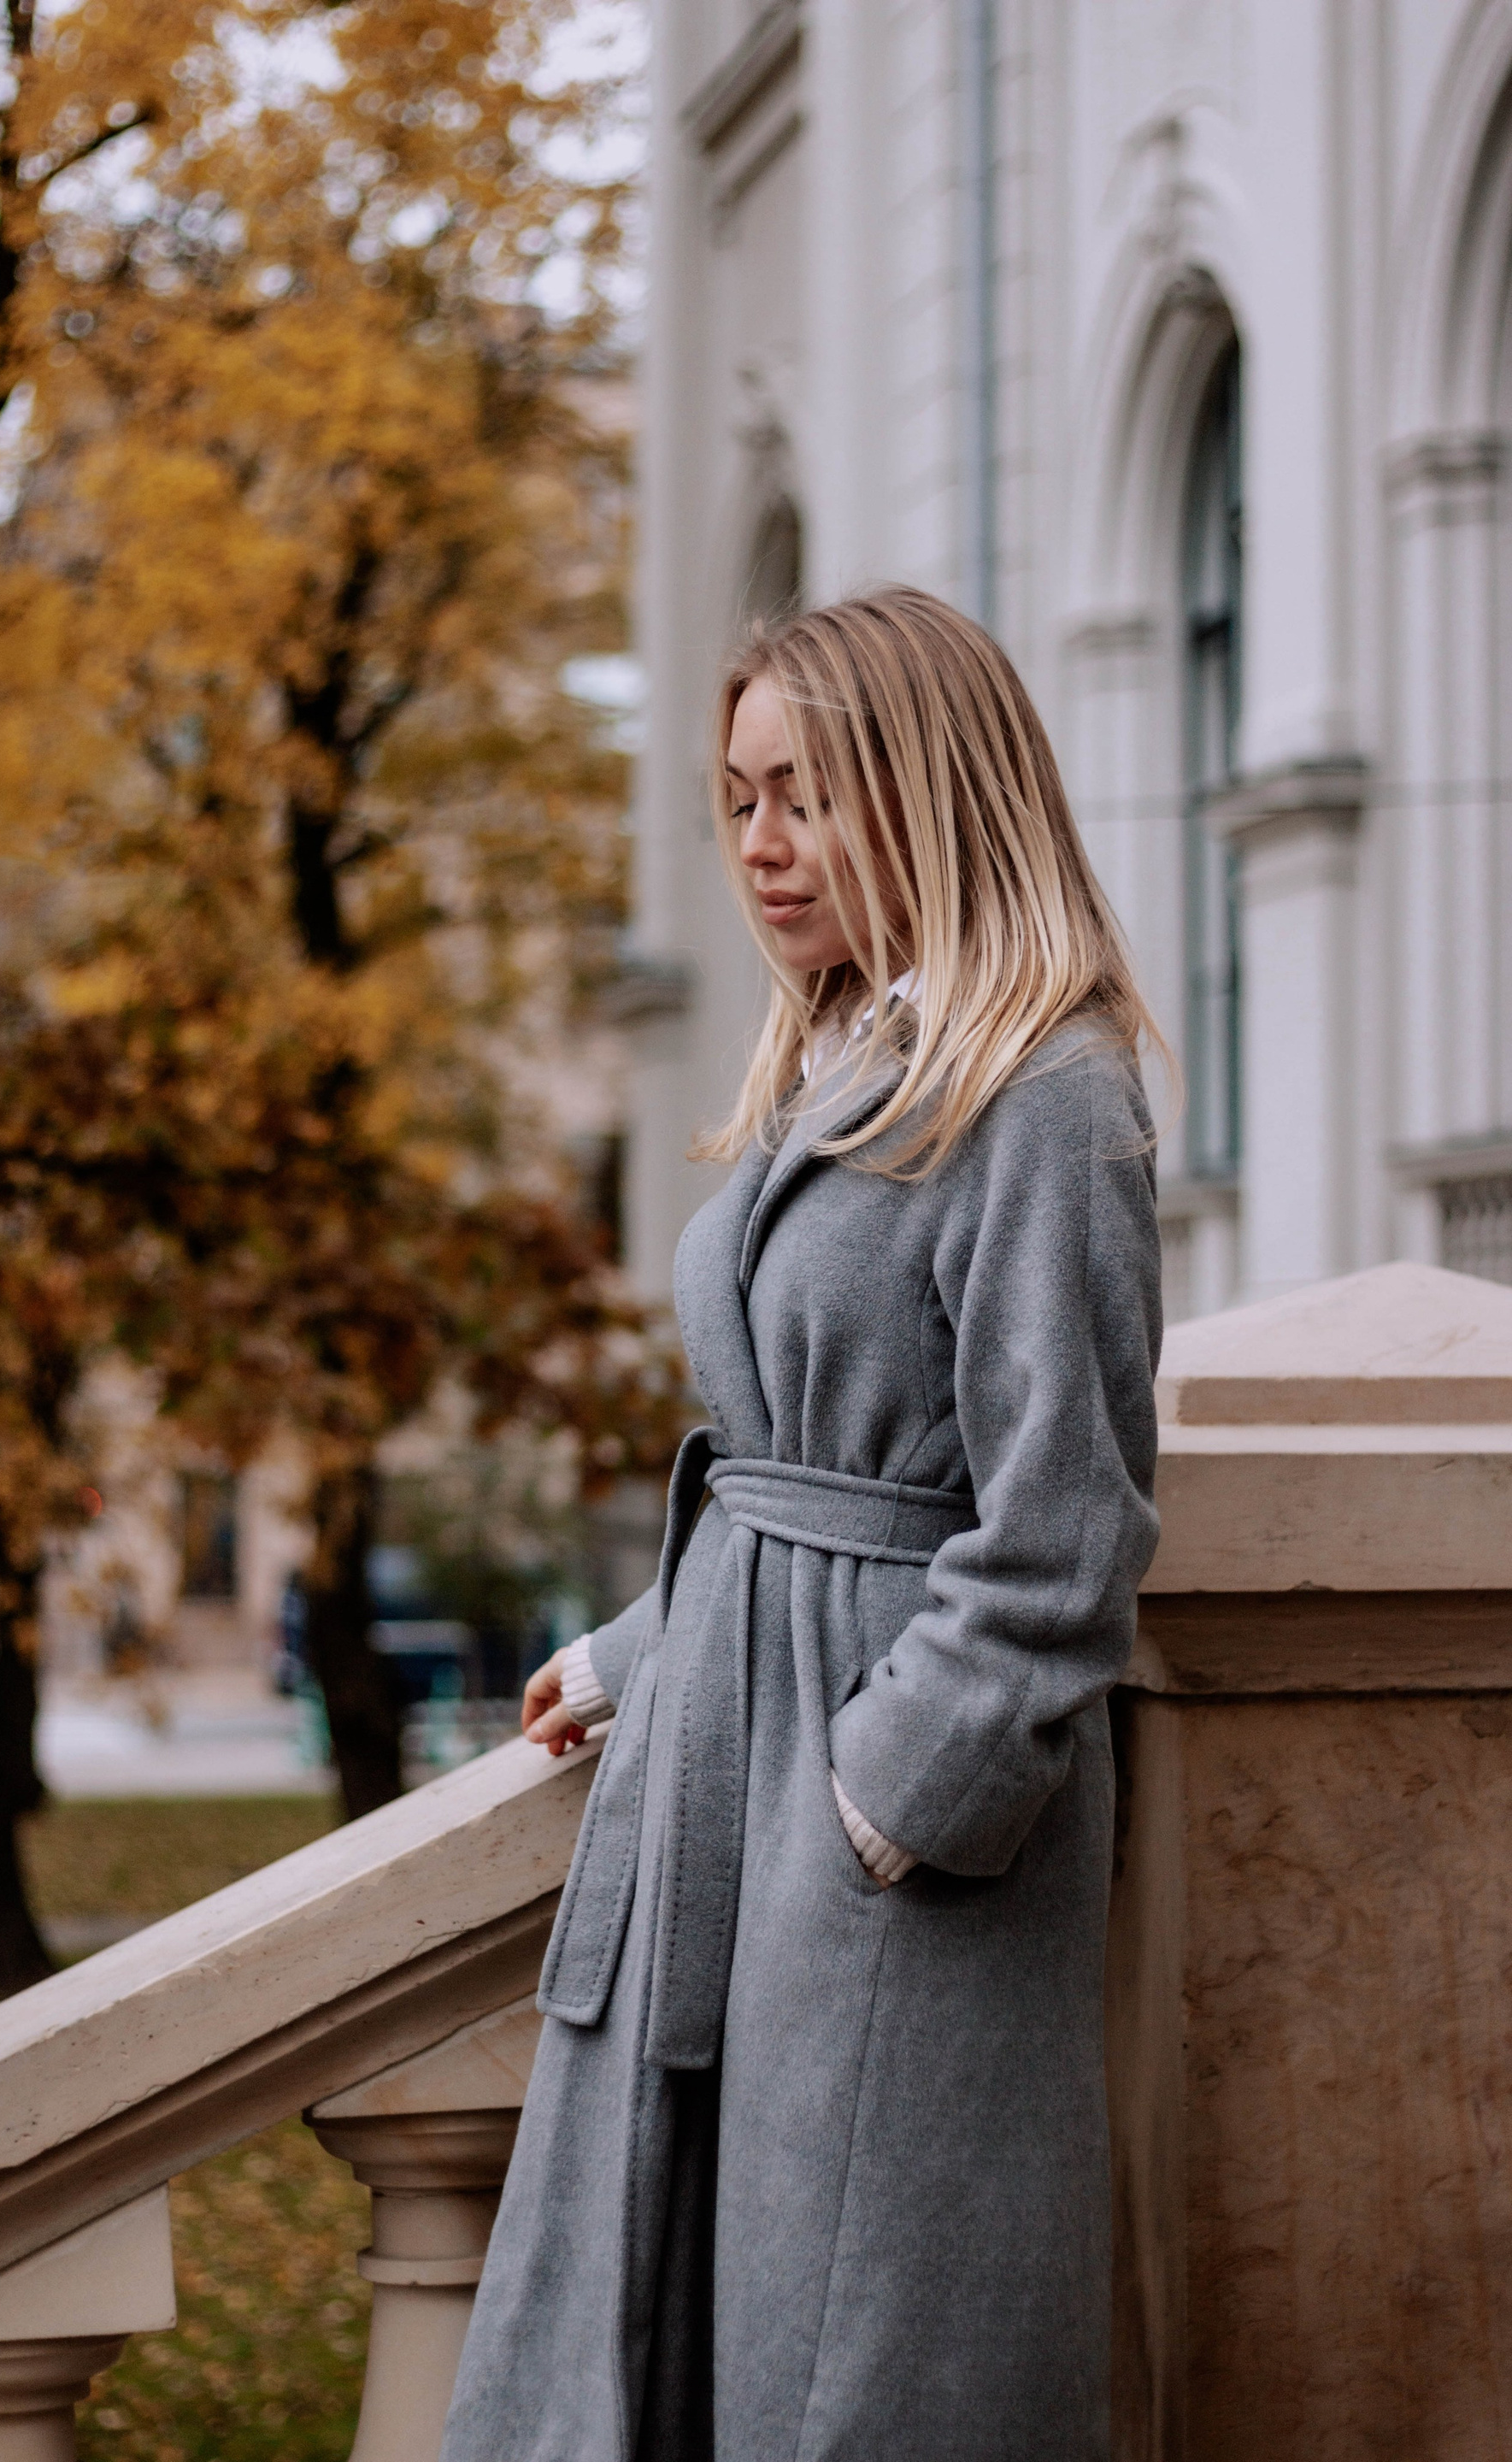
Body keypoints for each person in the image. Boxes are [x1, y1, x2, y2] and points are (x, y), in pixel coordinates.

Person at [440, 586, 1162, 2462]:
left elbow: (1066, 1531)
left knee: (863, 2363)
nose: (762, 845)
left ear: (933, 789)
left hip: (885, 1824)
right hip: (736, 1751)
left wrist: (895, 1801)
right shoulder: (840, 1057)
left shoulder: (1046, 1093)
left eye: (810, 797)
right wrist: (644, 1655)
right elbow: (789, 1463)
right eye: (741, 798)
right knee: (709, 2322)